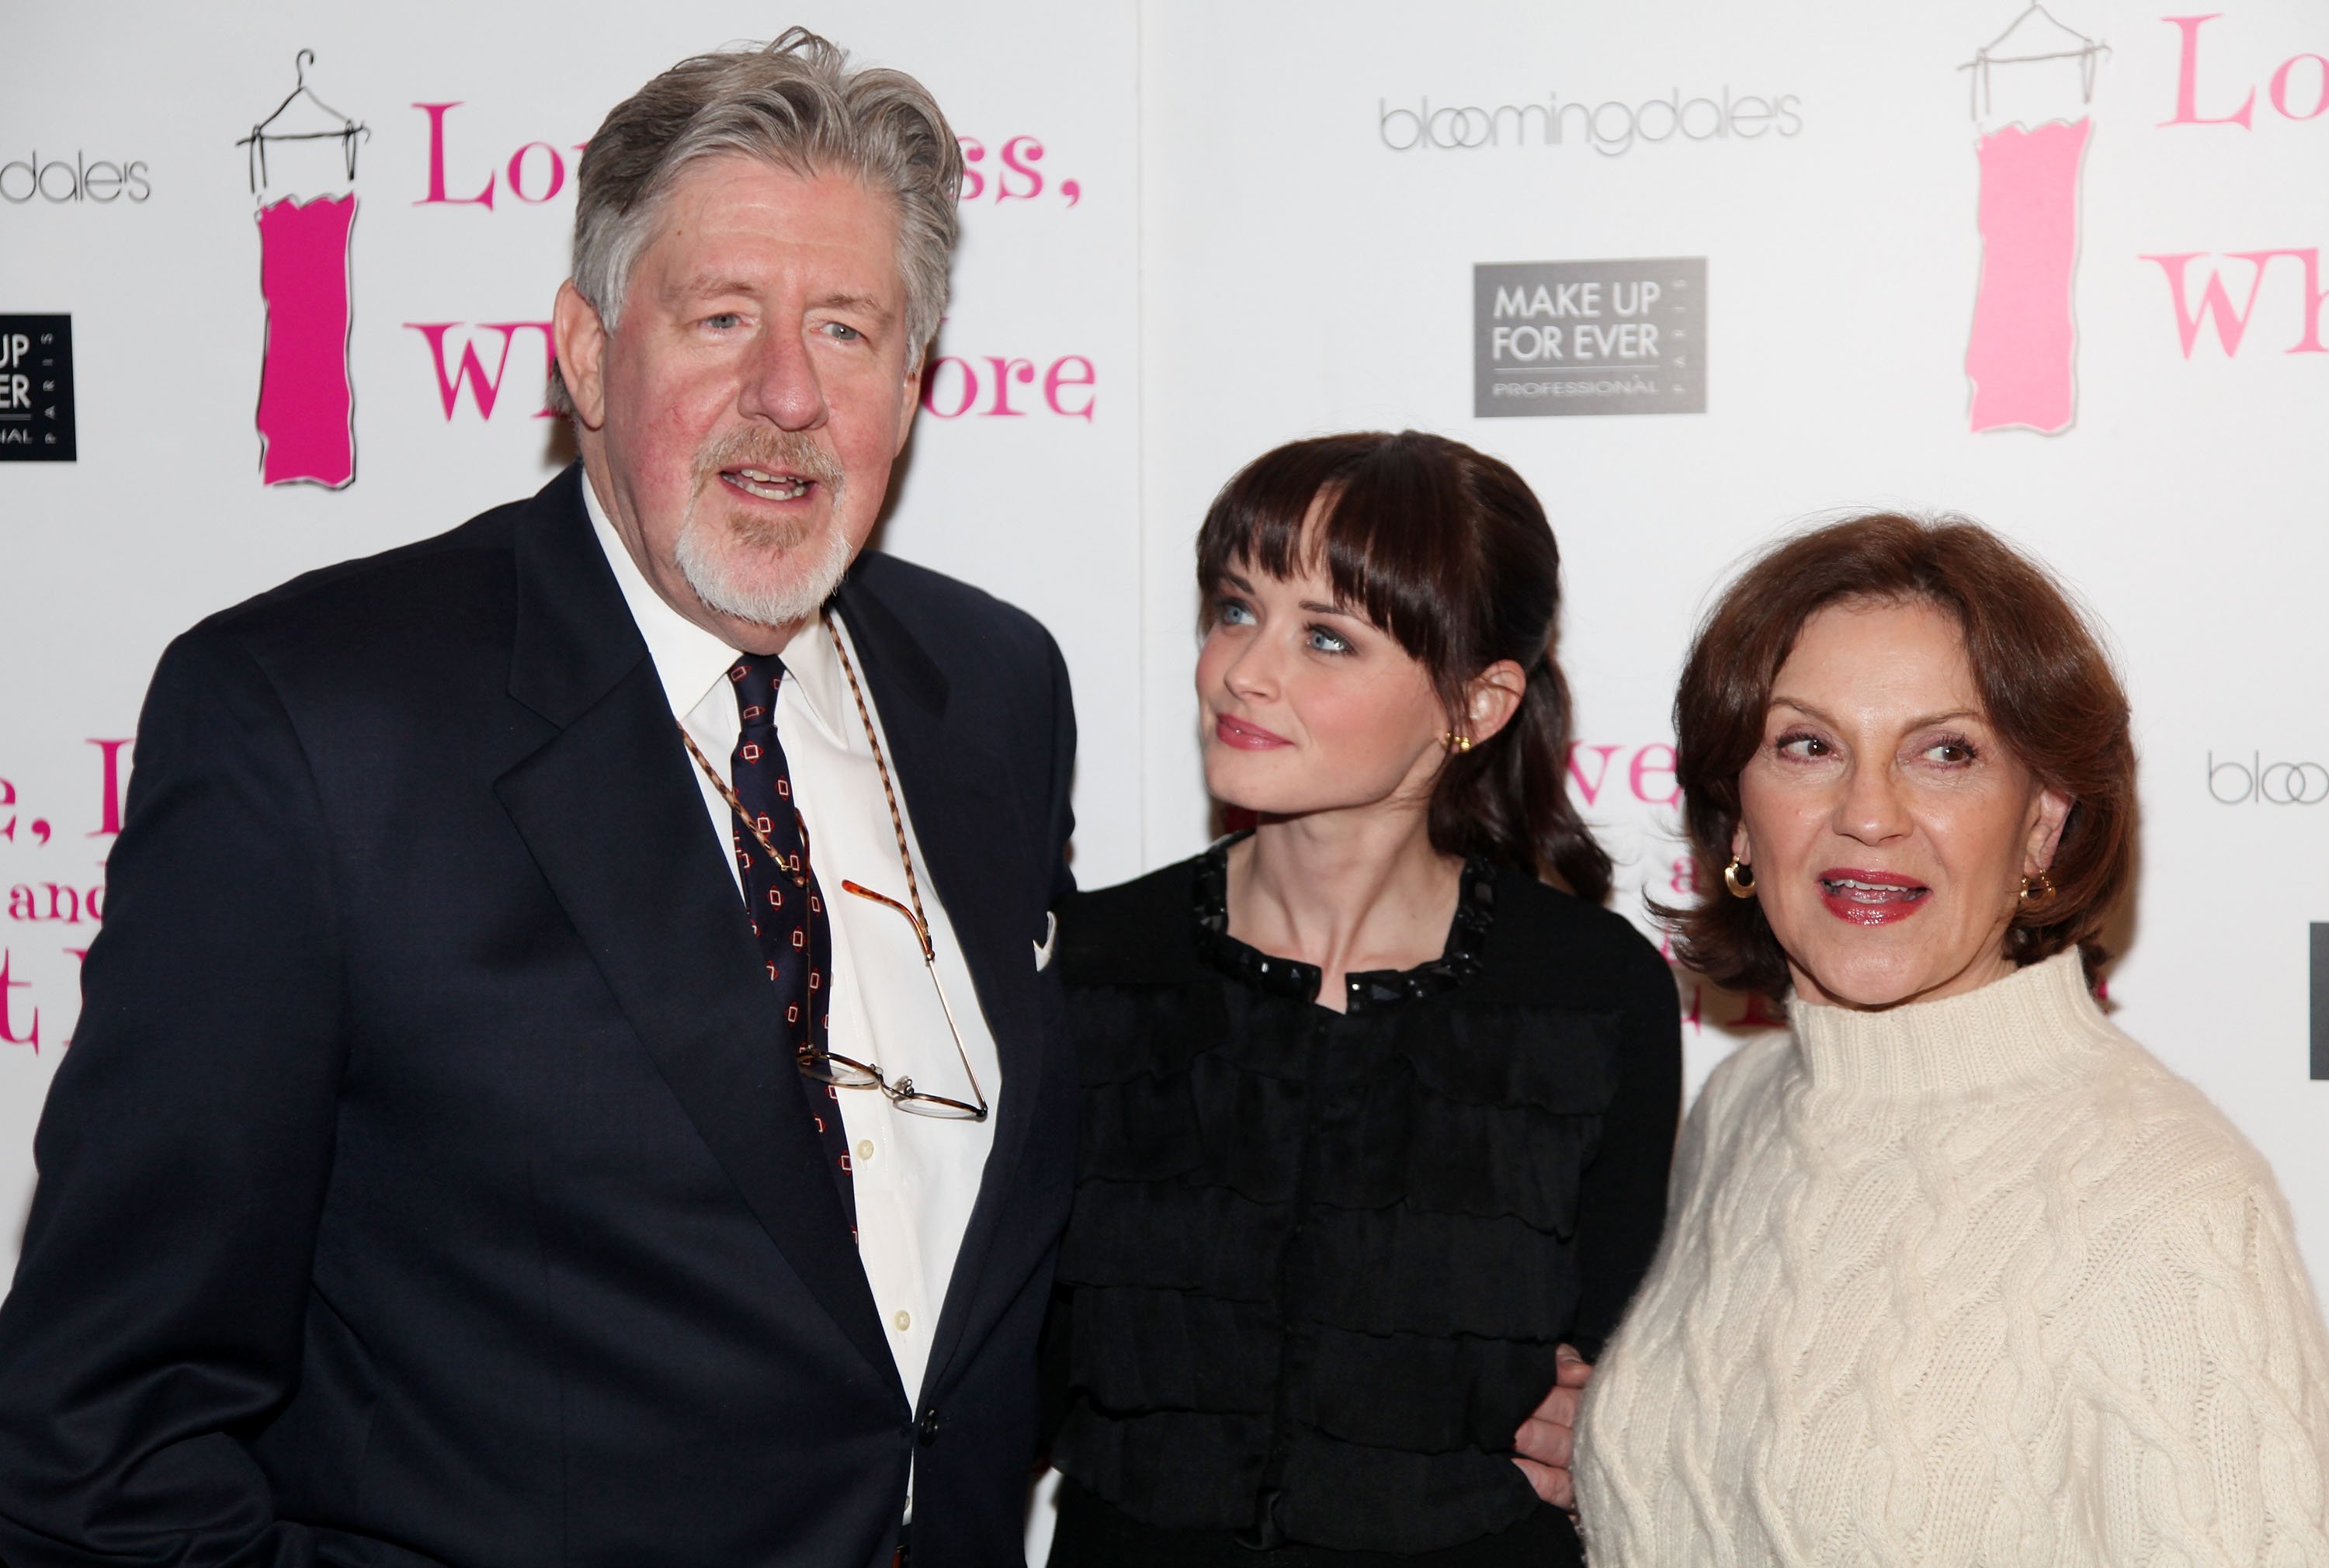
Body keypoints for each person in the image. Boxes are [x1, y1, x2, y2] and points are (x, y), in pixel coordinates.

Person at [0, 31, 1076, 1568]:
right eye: (723, 317)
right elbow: (96, 1432)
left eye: (847, 329)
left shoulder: (995, 691)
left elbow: (1001, 1269)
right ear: (582, 351)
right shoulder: (313, 721)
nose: (788, 391)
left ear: (912, 383)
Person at [1575, 514, 2329, 1565]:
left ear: (2042, 822)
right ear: (1738, 819)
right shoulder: (1740, 1107)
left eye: (1947, 753)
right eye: (1809, 746)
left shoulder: (2170, 1201)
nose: (1870, 813)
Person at [1042, 431, 1682, 1566]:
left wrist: (1622, 1437)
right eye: (1237, 609)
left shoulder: (1591, 996)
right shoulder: (1095, 963)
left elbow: (1616, 1385)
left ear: (1476, 707)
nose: (1245, 670)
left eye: (1326, 637)